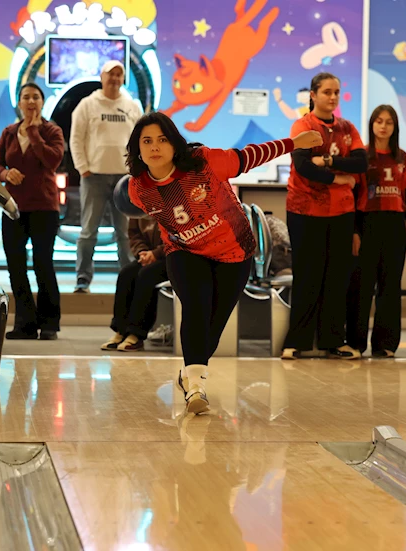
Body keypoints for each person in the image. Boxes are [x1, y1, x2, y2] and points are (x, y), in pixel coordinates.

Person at [121, 112, 322, 414]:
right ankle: (197, 389)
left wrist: (293, 143)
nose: (155, 147)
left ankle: (188, 375)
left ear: (175, 143)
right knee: (196, 308)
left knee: (212, 328)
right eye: (146, 141)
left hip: (234, 252)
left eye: (162, 139)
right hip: (184, 252)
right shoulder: (139, 189)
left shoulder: (204, 162)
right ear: (137, 149)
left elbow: (249, 156)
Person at [280, 72, 367, 361]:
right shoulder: (302, 125)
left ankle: (333, 341)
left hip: (341, 212)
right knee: (308, 275)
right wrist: (339, 179)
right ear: (313, 95)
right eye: (326, 92)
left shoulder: (347, 128)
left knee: (337, 277)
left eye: (336, 92)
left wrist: (328, 161)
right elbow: (303, 165)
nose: (332, 97)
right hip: (305, 211)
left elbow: (361, 163)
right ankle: (297, 341)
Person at [0, 82, 65, 341]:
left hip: (44, 208)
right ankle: (25, 322)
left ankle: (49, 324)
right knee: (16, 267)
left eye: (36, 97)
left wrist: (34, 133)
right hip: (13, 209)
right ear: (19, 103)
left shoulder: (52, 130)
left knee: (43, 264)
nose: (31, 101)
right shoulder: (9, 132)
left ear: (42, 102)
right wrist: (4, 173)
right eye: (26, 97)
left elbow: (53, 160)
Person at [347, 105, 406, 358]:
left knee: (390, 287)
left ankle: (385, 344)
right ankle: (356, 343)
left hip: (394, 226)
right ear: (371, 124)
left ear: (395, 127)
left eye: (389, 122)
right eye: (379, 121)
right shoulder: (362, 157)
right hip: (367, 223)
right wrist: (355, 232)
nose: (383, 126)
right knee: (362, 286)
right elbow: (354, 194)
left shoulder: (403, 158)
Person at [70, 60, 143, 293]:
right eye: (110, 74)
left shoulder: (132, 106)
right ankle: (83, 279)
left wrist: (137, 171)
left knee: (125, 232)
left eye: (119, 75)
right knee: (88, 230)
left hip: (124, 180)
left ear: (123, 79)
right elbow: (76, 138)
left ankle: (129, 276)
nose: (114, 79)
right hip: (94, 177)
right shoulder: (87, 105)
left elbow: (141, 140)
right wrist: (83, 168)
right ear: (102, 77)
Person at [101, 217, 167, 352]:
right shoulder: (139, 205)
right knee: (126, 273)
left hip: (171, 257)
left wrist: (156, 253)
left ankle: (136, 333)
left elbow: (178, 237)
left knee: (147, 275)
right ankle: (121, 329)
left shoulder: (172, 203)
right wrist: (142, 252)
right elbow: (134, 234)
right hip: (148, 255)